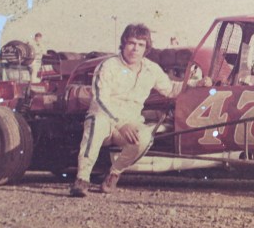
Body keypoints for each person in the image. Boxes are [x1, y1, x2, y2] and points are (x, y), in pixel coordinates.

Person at [69, 23, 186, 197]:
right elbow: (100, 99)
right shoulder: (108, 65)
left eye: (141, 45)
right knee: (96, 122)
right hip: (105, 119)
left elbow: (170, 89)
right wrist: (120, 123)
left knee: (145, 138)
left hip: (130, 122)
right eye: (131, 43)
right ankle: (82, 179)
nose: (135, 49)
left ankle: (114, 174)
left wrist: (196, 84)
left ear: (146, 48)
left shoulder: (151, 69)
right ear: (123, 43)